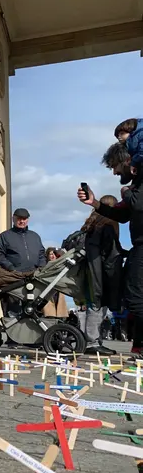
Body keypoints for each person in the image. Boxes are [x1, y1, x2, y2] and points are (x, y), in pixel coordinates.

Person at [79, 141, 142, 357]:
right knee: (134, 297)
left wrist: (126, 191)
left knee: (135, 298)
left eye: (114, 166)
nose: (114, 172)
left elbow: (137, 204)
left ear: (127, 160)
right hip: (138, 247)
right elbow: (123, 215)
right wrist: (95, 203)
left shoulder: (136, 184)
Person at [77, 194, 125, 355]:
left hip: (89, 271)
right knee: (97, 307)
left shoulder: (91, 225)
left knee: (93, 306)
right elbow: (110, 254)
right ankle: (93, 342)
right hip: (99, 273)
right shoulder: (108, 226)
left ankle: (92, 340)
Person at [0, 208, 46, 321]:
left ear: (28, 220)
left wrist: (41, 268)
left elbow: (41, 254)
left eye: (24, 219)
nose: (22, 221)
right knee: (13, 310)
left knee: (32, 310)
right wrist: (11, 268)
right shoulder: (5, 236)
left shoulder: (35, 236)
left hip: (33, 278)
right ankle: (13, 337)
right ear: (13, 218)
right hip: (13, 278)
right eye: (19, 219)